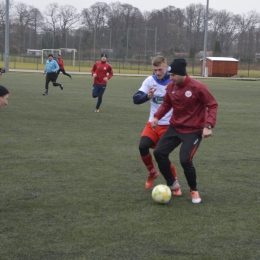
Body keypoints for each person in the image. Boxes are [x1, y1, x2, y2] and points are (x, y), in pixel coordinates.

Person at [151, 58, 218, 204]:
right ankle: (172, 183)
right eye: (170, 74)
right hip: (175, 128)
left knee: (185, 159)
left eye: (173, 75)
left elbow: (212, 105)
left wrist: (208, 126)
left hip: (193, 130)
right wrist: (157, 117)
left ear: (182, 74)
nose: (171, 77)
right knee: (159, 152)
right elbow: (166, 104)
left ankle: (194, 190)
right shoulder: (171, 87)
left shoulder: (198, 87)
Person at [133, 56, 181, 196]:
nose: (158, 73)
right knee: (142, 146)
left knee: (162, 155)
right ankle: (152, 172)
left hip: (169, 126)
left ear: (166, 67)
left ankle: (175, 184)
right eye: (155, 70)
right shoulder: (150, 80)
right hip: (153, 123)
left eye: (160, 69)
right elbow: (135, 99)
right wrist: (147, 96)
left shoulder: (174, 80)